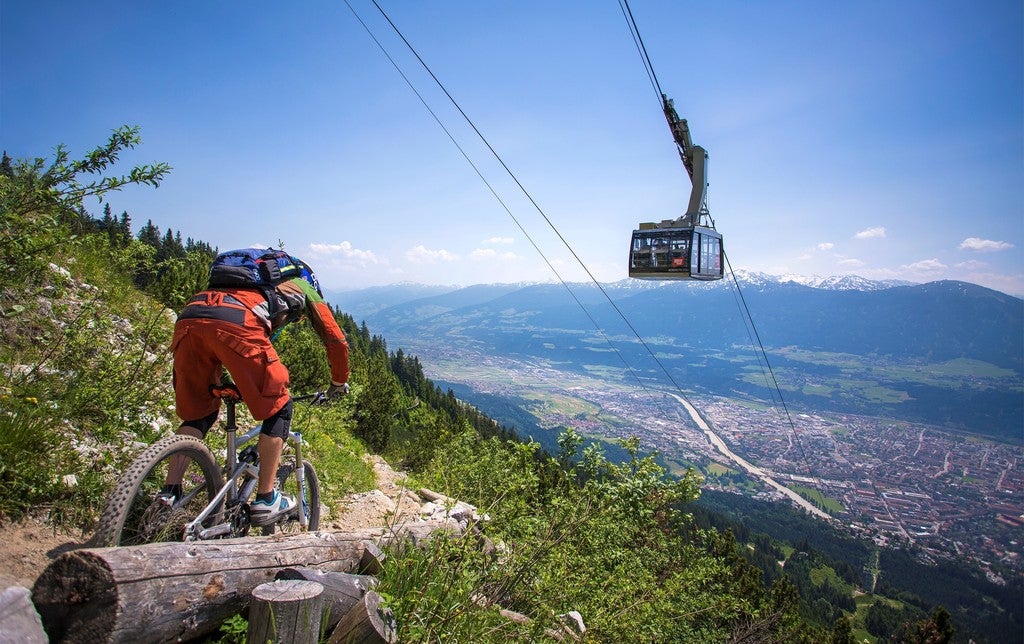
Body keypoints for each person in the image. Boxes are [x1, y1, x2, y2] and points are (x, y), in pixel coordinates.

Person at [163, 252, 350, 527]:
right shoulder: (303, 285)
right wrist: (338, 381)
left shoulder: (246, 286)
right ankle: (265, 498)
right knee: (280, 407)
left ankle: (169, 494)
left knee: (197, 415)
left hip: (189, 319)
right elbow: (336, 340)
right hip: (236, 323)